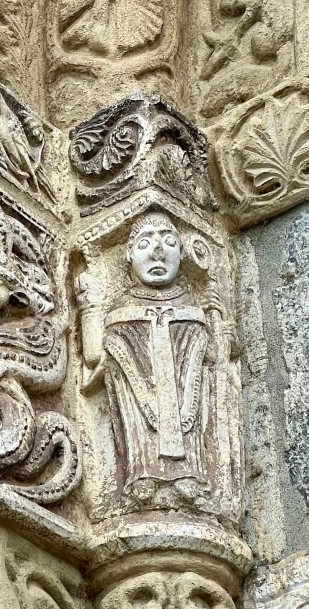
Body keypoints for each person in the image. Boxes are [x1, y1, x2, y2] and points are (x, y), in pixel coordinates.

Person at [78, 211, 213, 510]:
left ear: (182, 253)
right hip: (137, 398)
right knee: (133, 413)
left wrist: (219, 329)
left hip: (184, 391)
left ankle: (189, 473)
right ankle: (141, 473)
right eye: (144, 244)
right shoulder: (122, 305)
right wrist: (89, 306)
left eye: (169, 243)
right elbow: (94, 355)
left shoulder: (192, 303)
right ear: (128, 255)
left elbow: (213, 355)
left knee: (191, 412)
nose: (157, 252)